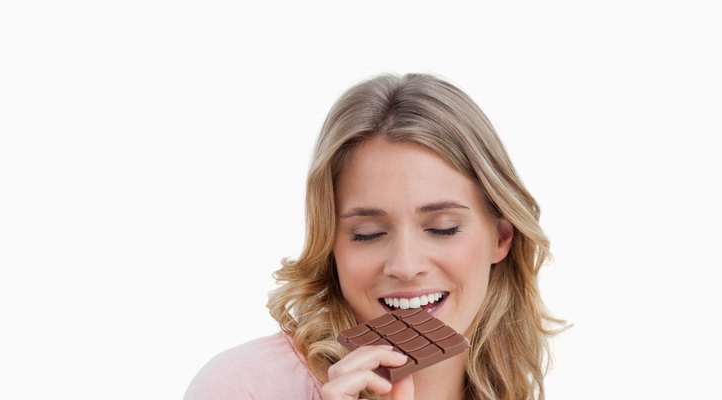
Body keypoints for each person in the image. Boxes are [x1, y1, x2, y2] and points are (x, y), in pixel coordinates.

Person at [183, 73, 564, 400]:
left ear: (501, 237)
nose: (405, 266)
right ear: (330, 244)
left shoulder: (516, 386)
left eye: (442, 228)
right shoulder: (244, 386)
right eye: (368, 234)